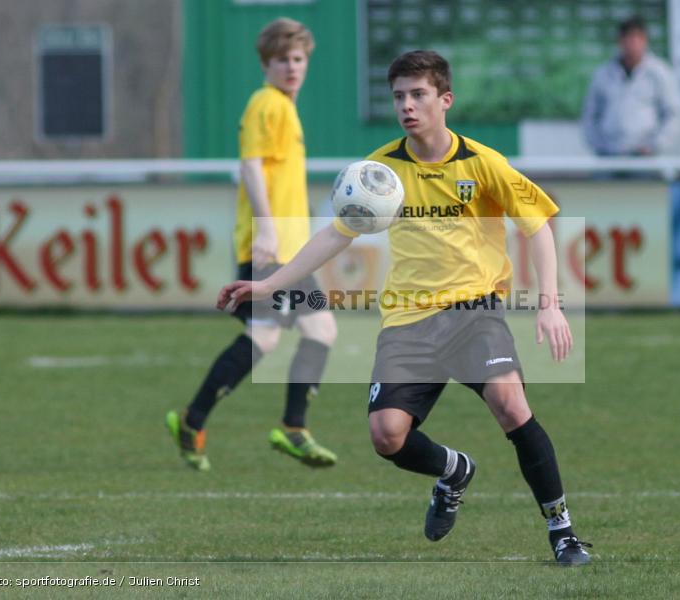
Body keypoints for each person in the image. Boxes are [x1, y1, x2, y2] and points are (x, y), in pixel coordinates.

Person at [217, 50, 592, 566]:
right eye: (398, 96)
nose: (407, 106)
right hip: (409, 321)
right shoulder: (379, 172)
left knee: (510, 404)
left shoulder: (482, 164)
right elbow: (334, 235)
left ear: (445, 100)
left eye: (418, 95)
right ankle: (454, 471)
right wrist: (269, 285)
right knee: (387, 435)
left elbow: (540, 228)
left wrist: (550, 304)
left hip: (475, 312)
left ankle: (563, 531)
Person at [166, 18, 338, 471]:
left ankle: (293, 428)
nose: (292, 66)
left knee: (321, 331)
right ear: (266, 64)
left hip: (293, 251)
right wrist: (266, 227)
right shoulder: (267, 103)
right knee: (263, 335)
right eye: (282, 59)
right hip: (272, 248)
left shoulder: (284, 106)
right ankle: (194, 419)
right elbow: (251, 165)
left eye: (298, 59)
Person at [582, 16, 680, 156]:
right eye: (628, 37)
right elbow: (590, 114)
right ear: (620, 41)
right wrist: (600, 146)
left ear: (645, 40)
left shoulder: (659, 73)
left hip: (646, 158)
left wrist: (655, 145)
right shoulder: (603, 73)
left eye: (638, 37)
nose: (633, 43)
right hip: (608, 156)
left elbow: (672, 114)